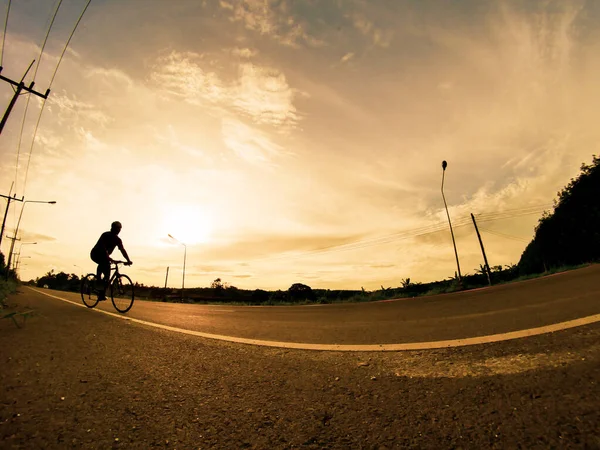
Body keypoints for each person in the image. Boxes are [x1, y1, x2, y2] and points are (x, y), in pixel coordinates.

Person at [90, 221, 132, 300]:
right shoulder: (105, 235)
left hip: (105, 257)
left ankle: (101, 293)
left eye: (119, 229)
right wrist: (109, 258)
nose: (118, 231)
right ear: (112, 228)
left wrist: (128, 260)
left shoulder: (118, 240)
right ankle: (98, 283)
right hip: (95, 254)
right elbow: (103, 248)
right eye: (117, 229)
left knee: (107, 275)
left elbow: (122, 250)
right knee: (104, 264)